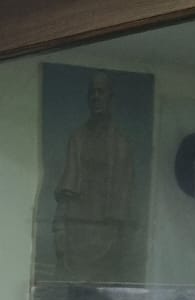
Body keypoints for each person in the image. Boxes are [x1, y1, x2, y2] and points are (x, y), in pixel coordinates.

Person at [52, 71, 139, 283]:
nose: (96, 97)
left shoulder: (122, 144)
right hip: (76, 237)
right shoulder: (77, 139)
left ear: (110, 97)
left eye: (101, 92)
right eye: (92, 93)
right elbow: (65, 195)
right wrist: (60, 231)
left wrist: (123, 243)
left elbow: (127, 200)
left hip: (108, 240)